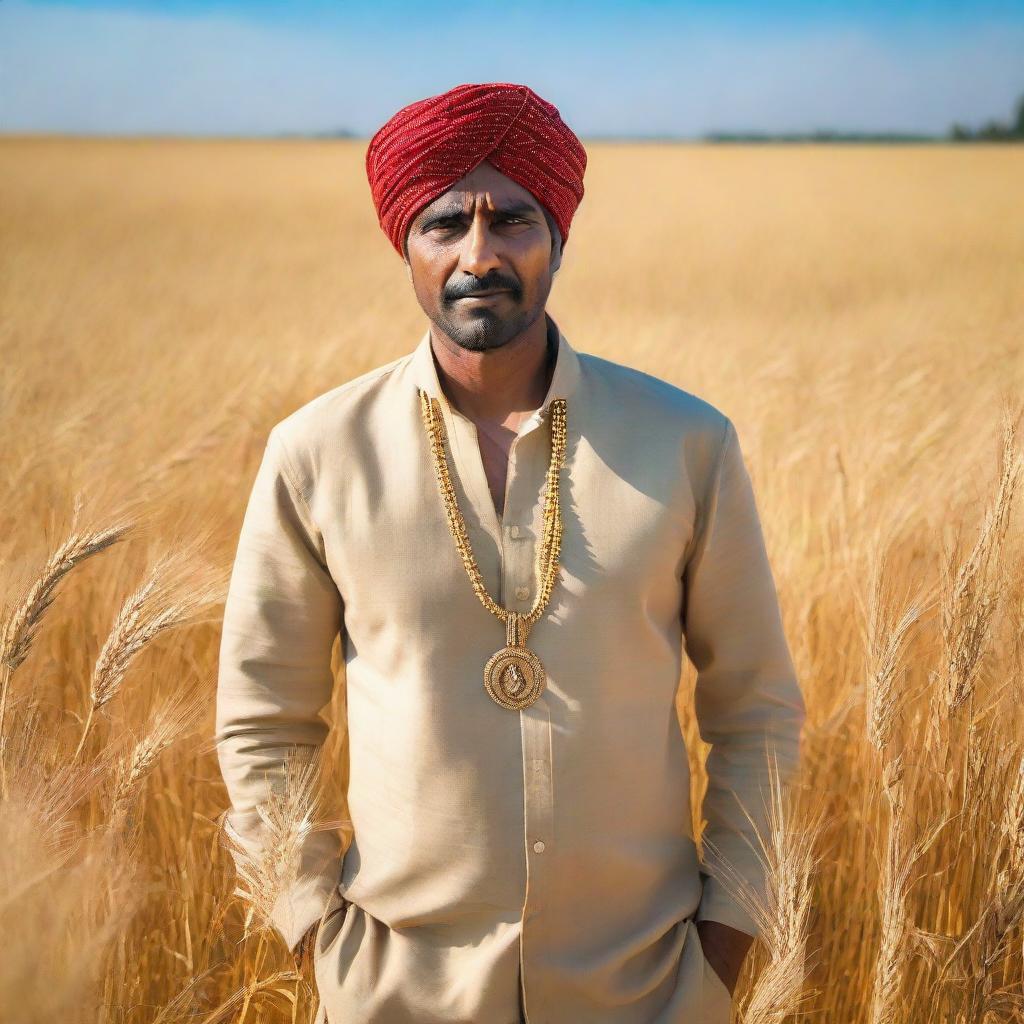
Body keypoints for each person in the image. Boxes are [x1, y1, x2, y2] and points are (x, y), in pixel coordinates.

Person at [214, 81, 806, 1024]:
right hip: (395, 994)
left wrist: (723, 955)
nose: (478, 256)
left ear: (558, 236)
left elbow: (757, 713)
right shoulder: (318, 453)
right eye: (445, 222)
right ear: (404, 243)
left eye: (514, 220)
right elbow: (263, 720)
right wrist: (318, 939)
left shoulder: (686, 442)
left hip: (645, 990)